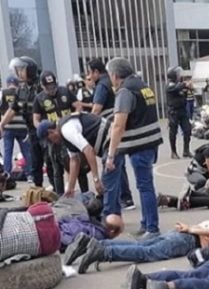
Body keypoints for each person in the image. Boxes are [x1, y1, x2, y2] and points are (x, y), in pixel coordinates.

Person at [73, 210, 209, 274]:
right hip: (189, 240)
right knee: (147, 253)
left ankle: (94, 244)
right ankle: (103, 252)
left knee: (143, 246)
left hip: (184, 235)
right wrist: (191, 229)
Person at [104, 57, 162, 239]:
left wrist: (111, 154)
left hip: (139, 145)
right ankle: (146, 223)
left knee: (145, 186)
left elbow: (118, 125)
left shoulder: (125, 91)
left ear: (114, 75)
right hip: (151, 142)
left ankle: (152, 228)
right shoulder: (143, 86)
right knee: (145, 185)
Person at [86, 57, 135, 210]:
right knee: (119, 164)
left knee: (111, 163)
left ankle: (118, 201)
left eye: (90, 72)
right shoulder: (112, 83)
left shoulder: (102, 85)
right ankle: (126, 198)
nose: (89, 76)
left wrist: (89, 126)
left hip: (108, 130)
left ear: (96, 72)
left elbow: (96, 110)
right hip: (117, 126)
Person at [32, 70, 82, 195]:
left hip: (68, 132)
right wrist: (44, 129)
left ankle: (83, 191)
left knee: (76, 161)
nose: (51, 89)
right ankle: (59, 195)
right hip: (53, 136)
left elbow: (78, 106)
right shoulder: (39, 98)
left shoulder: (65, 92)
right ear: (43, 86)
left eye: (53, 86)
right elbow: (36, 120)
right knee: (56, 168)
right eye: (48, 87)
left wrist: (74, 117)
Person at [36, 115, 106, 198]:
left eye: (49, 139)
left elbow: (88, 150)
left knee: (108, 178)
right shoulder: (63, 135)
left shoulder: (66, 130)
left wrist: (96, 179)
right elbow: (74, 160)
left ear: (51, 132)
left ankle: (117, 204)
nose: (52, 142)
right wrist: (70, 188)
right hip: (102, 141)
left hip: (107, 134)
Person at [0, 75, 31, 178]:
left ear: (8, 83)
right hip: (22, 126)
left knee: (8, 151)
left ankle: (6, 174)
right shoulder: (21, 93)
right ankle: (30, 173)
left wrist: (1, 124)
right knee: (26, 151)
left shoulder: (3, 93)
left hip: (8, 126)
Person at [166, 66, 193, 159]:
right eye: (177, 74)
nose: (179, 75)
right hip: (173, 111)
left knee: (187, 129)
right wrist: (185, 84)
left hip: (182, 110)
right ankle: (173, 152)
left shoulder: (179, 84)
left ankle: (186, 150)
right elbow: (176, 88)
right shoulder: (170, 84)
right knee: (173, 132)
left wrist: (188, 88)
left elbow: (184, 92)